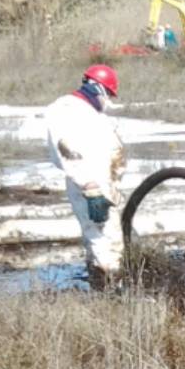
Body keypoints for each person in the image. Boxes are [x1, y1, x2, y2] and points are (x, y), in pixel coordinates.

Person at [44, 64, 125, 286]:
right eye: (108, 93)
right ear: (98, 87)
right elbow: (66, 151)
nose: (108, 99)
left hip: (104, 185)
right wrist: (89, 186)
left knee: (109, 239)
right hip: (89, 187)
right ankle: (108, 289)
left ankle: (105, 283)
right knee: (100, 238)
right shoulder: (67, 109)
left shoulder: (90, 113)